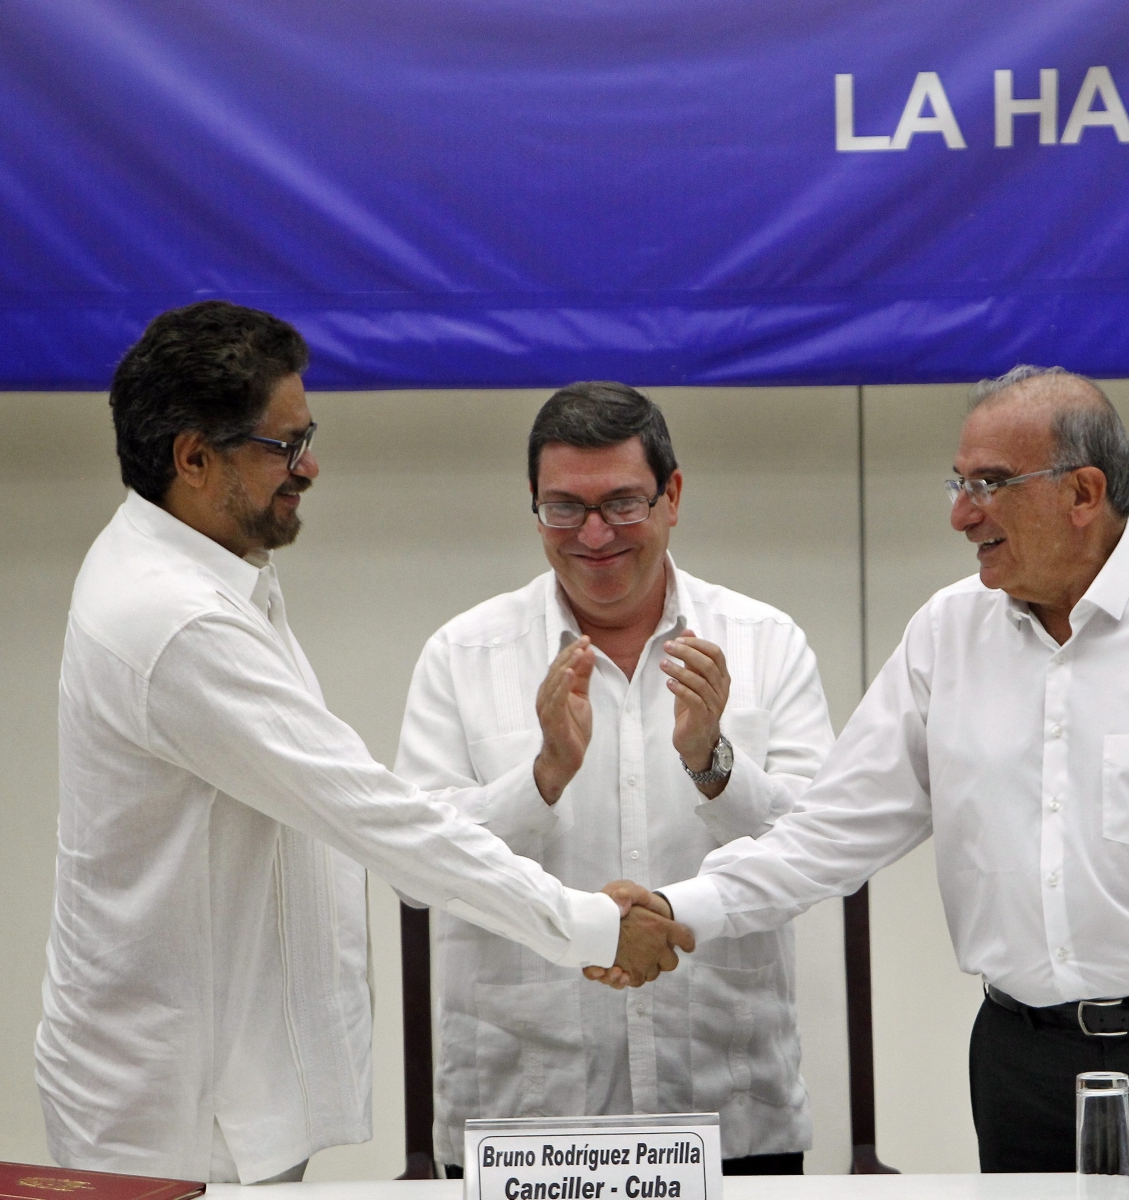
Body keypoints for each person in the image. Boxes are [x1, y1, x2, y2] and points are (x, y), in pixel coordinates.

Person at [642, 365, 1129, 1172]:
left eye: (988, 484)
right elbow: (828, 834)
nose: (961, 514)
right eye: (958, 483)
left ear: (1083, 493)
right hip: (1023, 1067)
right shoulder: (946, 635)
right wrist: (678, 909)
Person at [35, 304, 691, 1186]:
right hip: (175, 1115)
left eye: (307, 435)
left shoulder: (208, 575)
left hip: (215, 1084)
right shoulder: (177, 619)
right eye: (282, 445)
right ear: (193, 458)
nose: (310, 465)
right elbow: (376, 817)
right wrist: (591, 925)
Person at [396, 381, 833, 1176]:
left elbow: (818, 851)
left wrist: (713, 762)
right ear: (533, 506)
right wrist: (542, 778)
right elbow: (415, 875)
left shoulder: (766, 642)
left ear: (672, 495)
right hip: (525, 1126)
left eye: (622, 504)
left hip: (730, 1117)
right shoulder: (462, 656)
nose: (593, 535)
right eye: (564, 507)